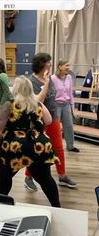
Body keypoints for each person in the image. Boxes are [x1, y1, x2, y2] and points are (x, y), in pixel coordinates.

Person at [0, 76, 61, 207]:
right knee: (45, 179)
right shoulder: (38, 104)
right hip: (37, 145)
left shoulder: (9, 104)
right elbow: (49, 120)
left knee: (5, 175)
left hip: (13, 146)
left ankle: (2, 203)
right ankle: (56, 205)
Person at [24, 53, 76, 192]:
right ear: (41, 64)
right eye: (48, 62)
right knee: (37, 151)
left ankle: (62, 175)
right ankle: (28, 178)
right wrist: (46, 83)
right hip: (39, 122)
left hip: (53, 118)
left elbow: (54, 97)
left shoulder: (50, 79)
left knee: (58, 148)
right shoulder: (31, 81)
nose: (51, 65)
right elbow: (37, 101)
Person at [51, 60, 80, 152]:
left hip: (66, 104)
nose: (68, 67)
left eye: (69, 65)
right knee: (55, 127)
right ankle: (53, 147)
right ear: (60, 67)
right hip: (56, 105)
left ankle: (70, 146)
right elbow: (50, 93)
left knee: (69, 126)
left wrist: (72, 108)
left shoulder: (69, 78)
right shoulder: (52, 78)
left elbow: (70, 93)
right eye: (66, 65)